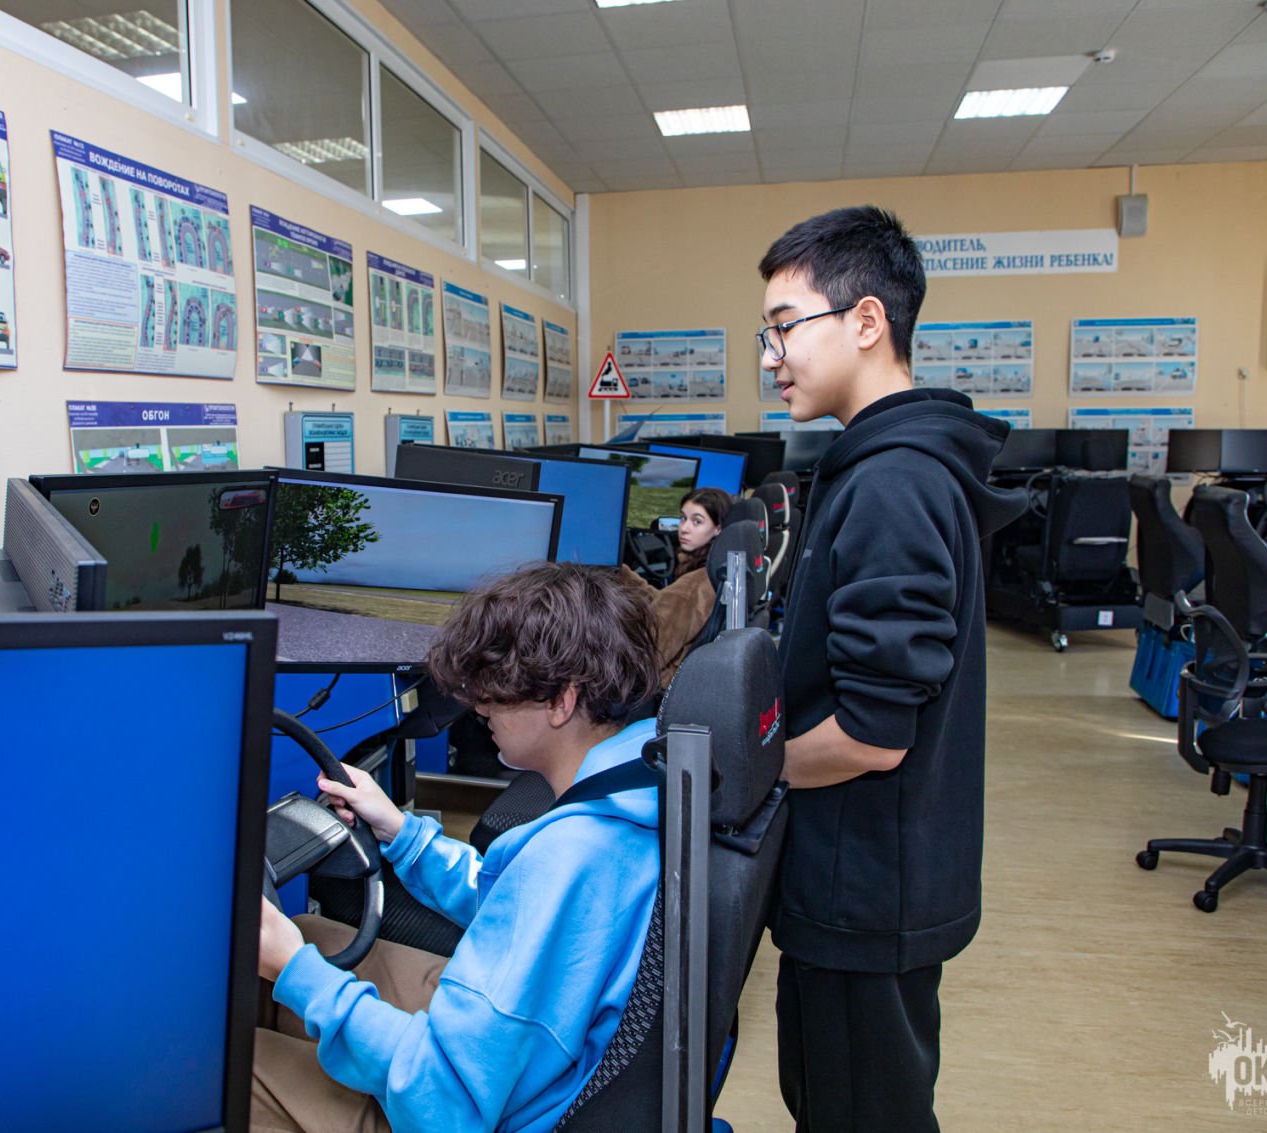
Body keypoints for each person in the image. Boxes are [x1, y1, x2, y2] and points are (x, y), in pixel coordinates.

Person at [757, 206, 1025, 1132]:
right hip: (865, 875)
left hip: (865, 886)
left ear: (866, 320)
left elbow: (872, 735)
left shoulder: (893, 483)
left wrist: (742, 772)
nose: (772, 356)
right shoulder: (882, 466)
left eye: (785, 326)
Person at [253, 561, 664, 1133]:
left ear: (561, 701)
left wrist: (295, 970)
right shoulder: (640, 783)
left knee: (234, 1066)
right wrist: (402, 833)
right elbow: (518, 906)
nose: (480, 707)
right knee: (310, 933)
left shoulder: (570, 855)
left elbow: (444, 1099)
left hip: (474, 1106)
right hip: (523, 1057)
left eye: (496, 689)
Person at [617, 486, 733, 684]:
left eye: (697, 521)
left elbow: (647, 653)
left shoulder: (693, 586)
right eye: (683, 518)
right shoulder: (714, 571)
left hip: (656, 686)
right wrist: (620, 573)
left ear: (718, 528)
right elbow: (666, 602)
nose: (684, 528)